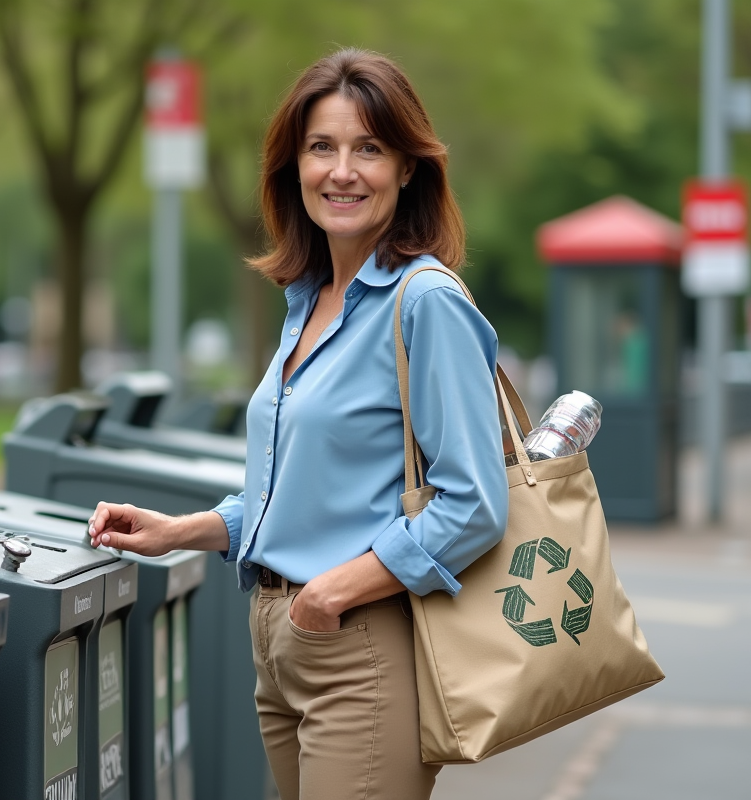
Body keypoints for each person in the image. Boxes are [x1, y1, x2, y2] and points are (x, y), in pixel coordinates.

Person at [88, 48, 508, 800]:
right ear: (295, 166)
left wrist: (331, 593)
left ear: (407, 168)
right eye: (322, 147)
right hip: (279, 642)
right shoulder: (310, 302)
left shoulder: (425, 301)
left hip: (358, 645)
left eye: (368, 149)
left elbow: (474, 504)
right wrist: (179, 531)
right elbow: (308, 493)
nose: (341, 171)